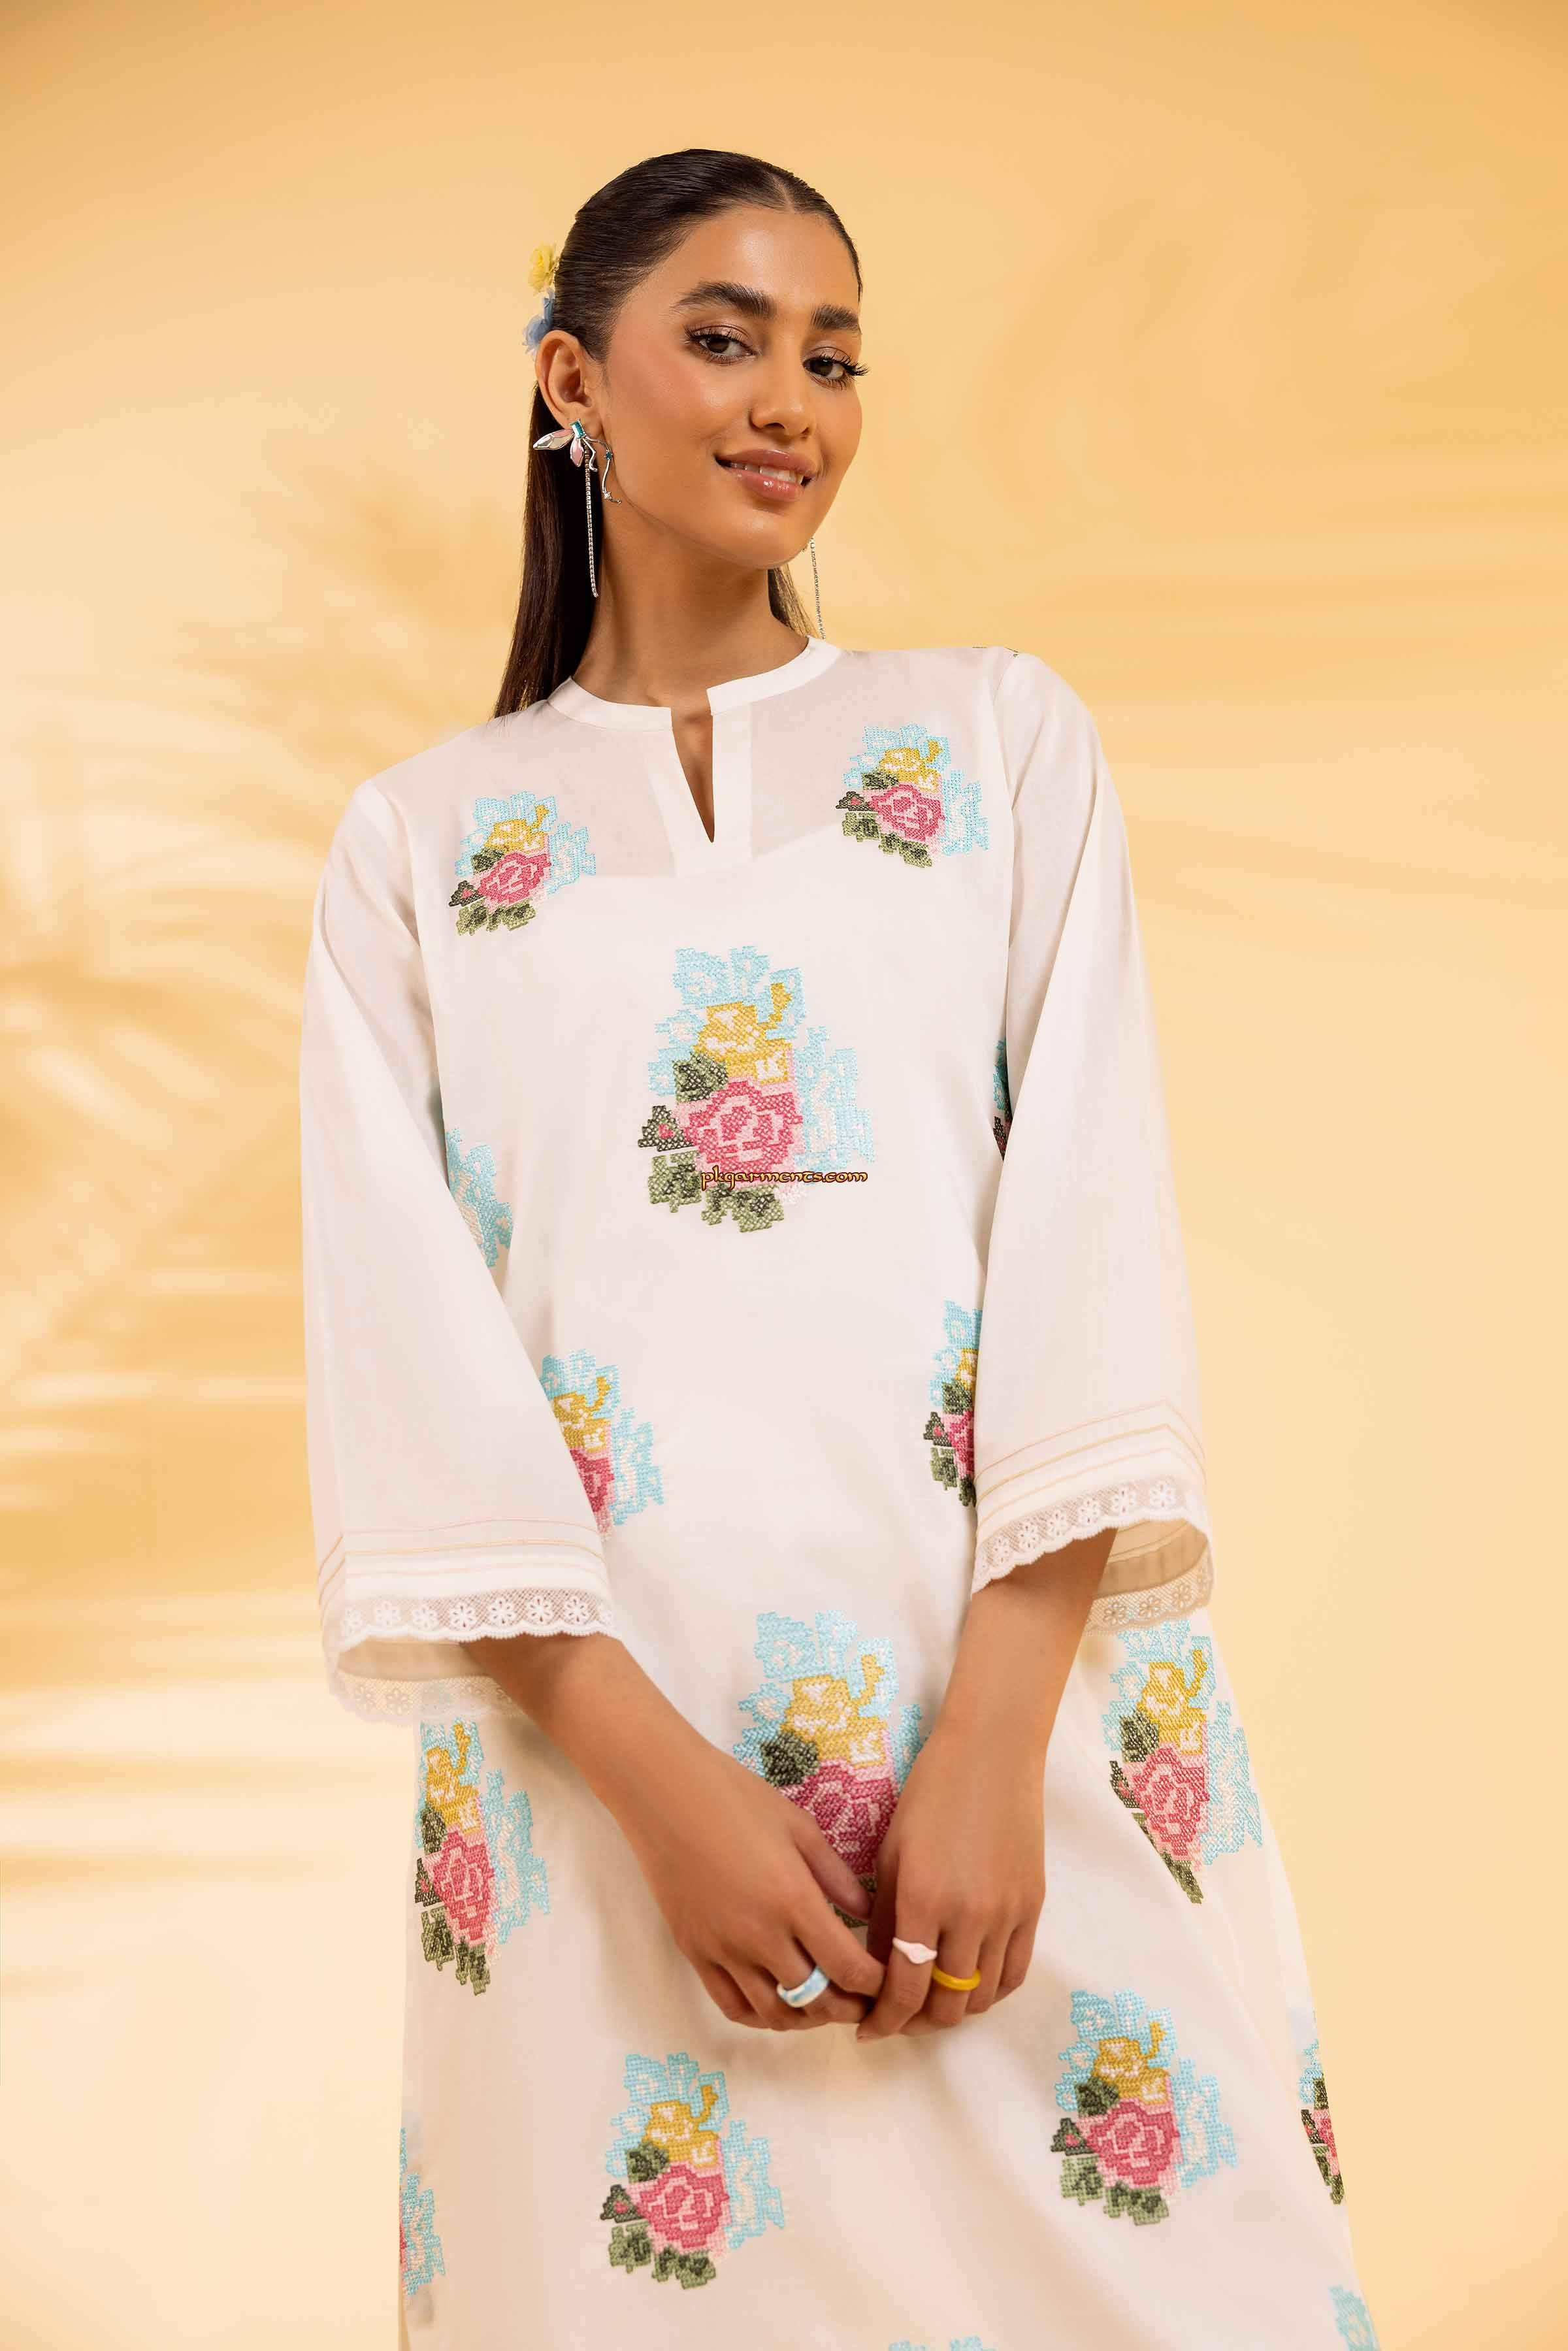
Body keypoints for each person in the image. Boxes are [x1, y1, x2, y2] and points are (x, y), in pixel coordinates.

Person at [300, 146, 1379, 2351]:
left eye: (835, 355)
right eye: (724, 338)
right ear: (571, 382)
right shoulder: (421, 846)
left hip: (1012, 1725)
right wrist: (659, 1796)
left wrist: (993, 1748)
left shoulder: (992, 743)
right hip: (614, 1783)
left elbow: (1087, 1222)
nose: (790, 399)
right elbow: (410, 1361)